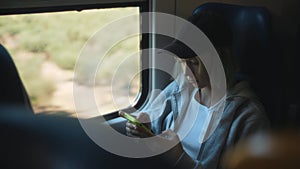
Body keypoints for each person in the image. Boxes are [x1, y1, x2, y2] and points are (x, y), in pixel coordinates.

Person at [122, 11, 270, 169]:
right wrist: (146, 126)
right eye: (182, 62)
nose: (186, 73)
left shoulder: (248, 117)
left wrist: (178, 156)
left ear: (221, 59)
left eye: (193, 62)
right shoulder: (179, 88)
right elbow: (155, 122)